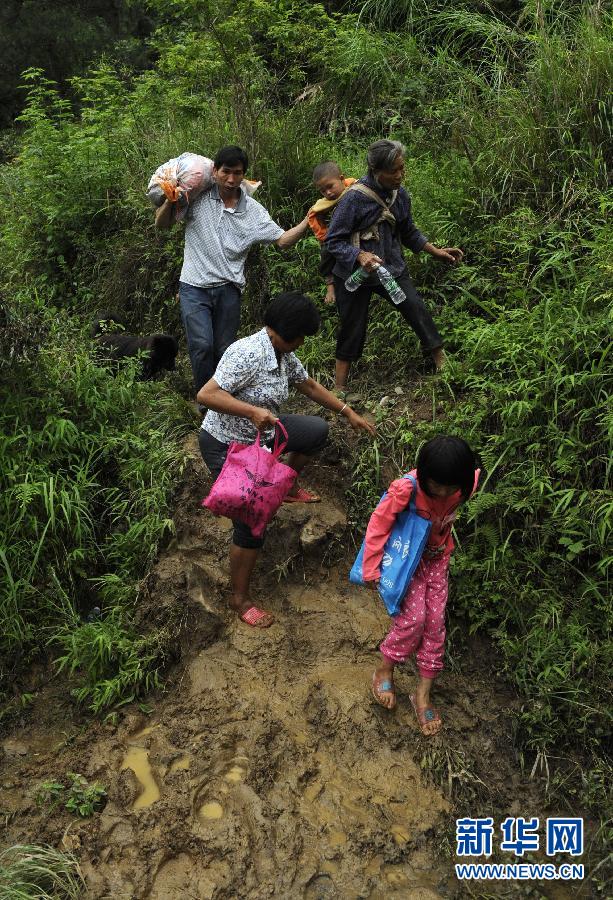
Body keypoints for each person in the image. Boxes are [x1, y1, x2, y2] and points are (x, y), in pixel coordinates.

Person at [197, 292, 376, 629]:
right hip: (228, 444)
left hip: (266, 436)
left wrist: (347, 412)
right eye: (301, 336)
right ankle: (240, 598)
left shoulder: (282, 353)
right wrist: (251, 411)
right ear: (284, 331)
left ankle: (286, 484)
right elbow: (206, 395)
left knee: (316, 431)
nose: (303, 342)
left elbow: (307, 385)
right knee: (252, 520)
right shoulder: (246, 353)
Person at [155, 145, 310, 396]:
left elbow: (282, 241)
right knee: (201, 345)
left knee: (224, 348)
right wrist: (169, 201)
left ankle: (222, 397)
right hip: (194, 286)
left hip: (229, 288)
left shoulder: (253, 212)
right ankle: (206, 401)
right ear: (214, 171)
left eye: (237, 173)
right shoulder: (196, 198)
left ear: (243, 175)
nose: (231, 179)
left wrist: (308, 220)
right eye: (226, 172)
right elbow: (162, 224)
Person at [325, 139, 464, 394]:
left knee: (416, 308)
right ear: (377, 171)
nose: (401, 175)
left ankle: (441, 362)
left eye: (403, 168)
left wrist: (437, 252)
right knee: (351, 327)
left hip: (389, 268)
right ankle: (339, 387)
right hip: (353, 275)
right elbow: (333, 241)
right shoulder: (353, 199)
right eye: (394, 171)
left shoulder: (401, 197)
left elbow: (409, 232)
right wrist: (359, 256)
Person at [362, 436, 479, 735]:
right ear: (423, 474)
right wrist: (372, 565)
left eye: (449, 489)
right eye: (435, 486)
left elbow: (471, 476)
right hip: (407, 562)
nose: (442, 493)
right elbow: (379, 522)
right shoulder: (406, 489)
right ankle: (385, 668)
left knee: (436, 622)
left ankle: (422, 693)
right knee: (414, 620)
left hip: (438, 559)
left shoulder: (467, 482)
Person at [307, 162, 356, 305]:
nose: (328, 193)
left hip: (356, 233)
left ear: (342, 179)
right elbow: (314, 220)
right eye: (323, 191)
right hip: (333, 236)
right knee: (327, 253)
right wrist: (325, 237)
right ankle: (330, 286)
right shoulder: (322, 205)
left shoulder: (355, 189)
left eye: (330, 187)